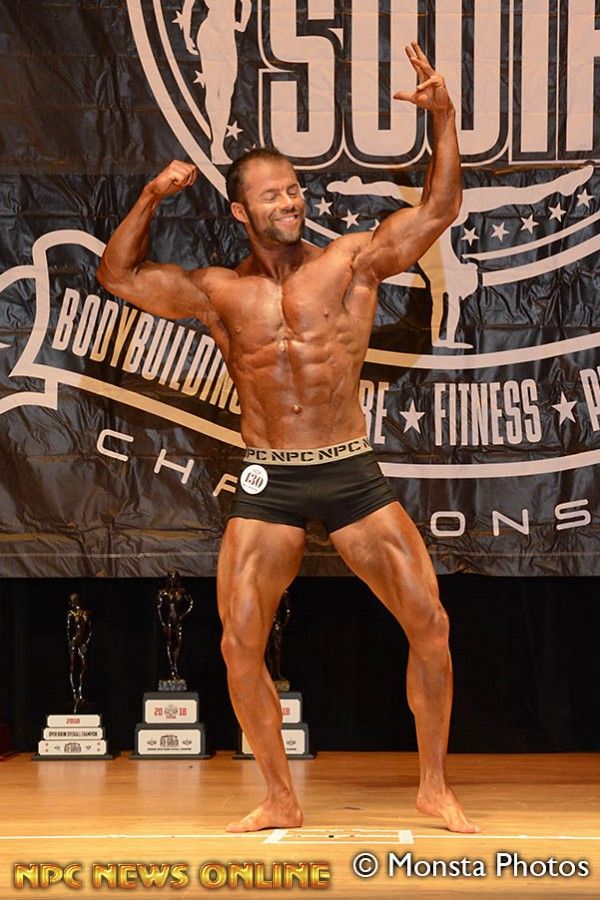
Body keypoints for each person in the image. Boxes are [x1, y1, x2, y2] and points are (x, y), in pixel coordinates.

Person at [97, 43, 478, 834]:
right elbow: (118, 277)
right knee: (240, 641)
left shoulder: (350, 263)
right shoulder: (218, 291)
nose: (289, 201)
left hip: (348, 467)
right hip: (268, 474)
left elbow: (437, 212)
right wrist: (152, 195)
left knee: (430, 622)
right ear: (240, 211)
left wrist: (443, 118)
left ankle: (435, 786)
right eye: (271, 194)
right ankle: (279, 795)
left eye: (294, 189)